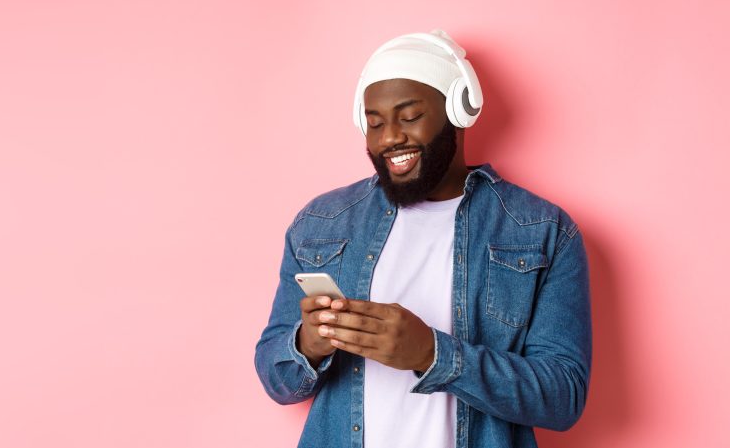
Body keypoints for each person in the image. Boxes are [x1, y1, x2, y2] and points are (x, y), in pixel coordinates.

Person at [253, 29, 591, 448]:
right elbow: (277, 379)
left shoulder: (542, 230)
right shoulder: (321, 223)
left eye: (409, 117)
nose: (390, 137)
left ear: (459, 111)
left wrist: (432, 354)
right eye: (374, 123)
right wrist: (309, 344)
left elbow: (563, 397)